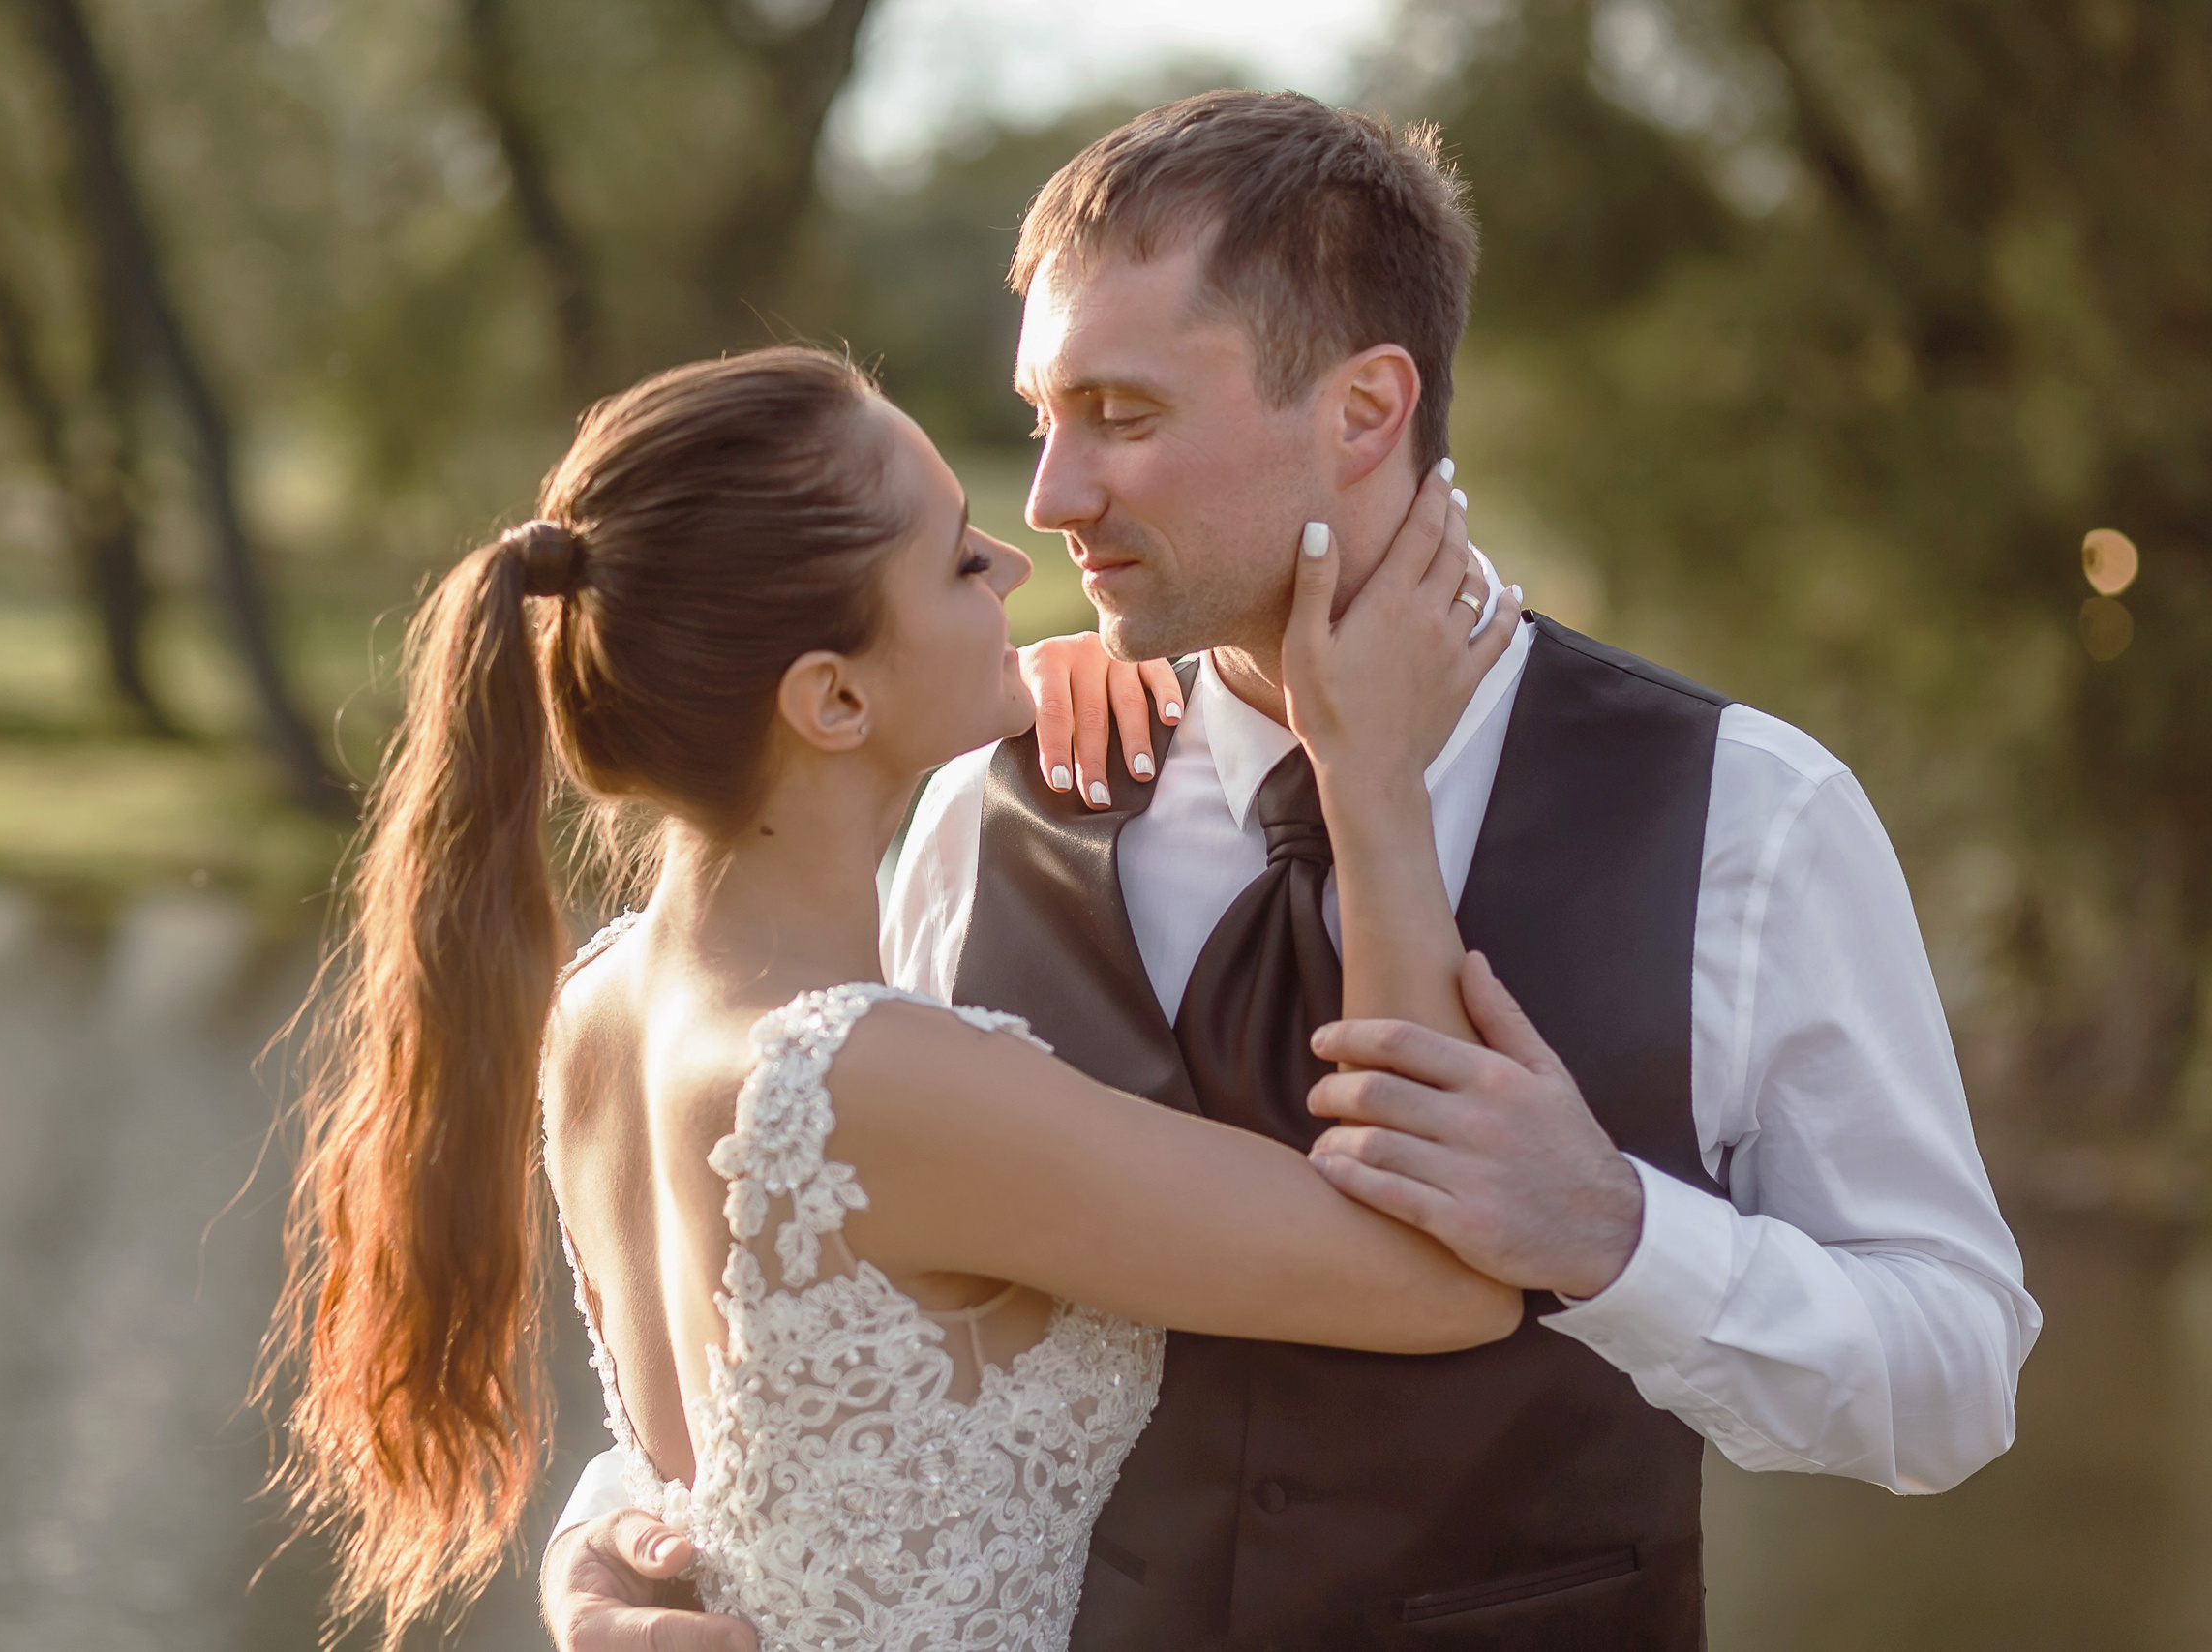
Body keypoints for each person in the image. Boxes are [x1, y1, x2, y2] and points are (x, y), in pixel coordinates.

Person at [552, 92, 2040, 1650]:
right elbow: (810, 1321)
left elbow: (1955, 1378)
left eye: (1121, 416)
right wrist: (615, 1551)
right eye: (1042, 412)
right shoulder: (993, 809)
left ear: (1364, 412)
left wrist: (1618, 1236)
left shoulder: (1751, 817)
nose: (1049, 498)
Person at [260, 344, 1534, 1652]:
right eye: (960, 561)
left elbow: (723, 1471)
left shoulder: (605, 1005)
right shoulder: (870, 1083)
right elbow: (1440, 1277)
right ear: (831, 697)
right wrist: (1369, 780)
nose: (1016, 574)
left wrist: (587, 1547)